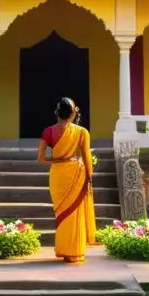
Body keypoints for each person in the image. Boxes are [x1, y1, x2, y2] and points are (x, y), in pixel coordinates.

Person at [37, 97, 96, 263]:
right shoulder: (82, 132)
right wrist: (89, 176)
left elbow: (41, 159)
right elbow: (87, 157)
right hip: (76, 173)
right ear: (73, 112)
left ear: (57, 112)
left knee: (62, 213)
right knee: (73, 213)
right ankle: (74, 252)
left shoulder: (48, 131)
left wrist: (57, 159)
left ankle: (63, 249)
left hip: (57, 175)